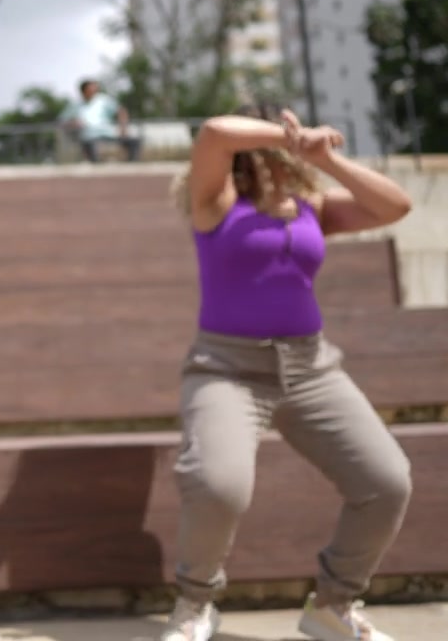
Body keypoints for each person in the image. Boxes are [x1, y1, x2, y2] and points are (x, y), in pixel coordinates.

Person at [161, 103, 413, 641]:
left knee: (386, 483)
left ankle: (332, 607)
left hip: (311, 368)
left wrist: (328, 160)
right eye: (270, 143)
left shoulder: (310, 208)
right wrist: (292, 137)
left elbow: (396, 205)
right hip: (227, 370)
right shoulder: (215, 203)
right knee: (218, 485)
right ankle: (195, 603)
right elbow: (214, 132)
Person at [58, 78, 141, 163]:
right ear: (83, 91)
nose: (93, 92)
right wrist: (73, 123)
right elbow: (62, 121)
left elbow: (121, 111)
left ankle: (132, 164)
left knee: (133, 141)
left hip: (108, 132)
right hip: (89, 136)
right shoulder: (75, 104)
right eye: (90, 90)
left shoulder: (103, 99)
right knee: (91, 149)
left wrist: (123, 128)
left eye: (95, 89)